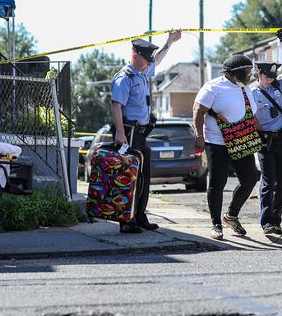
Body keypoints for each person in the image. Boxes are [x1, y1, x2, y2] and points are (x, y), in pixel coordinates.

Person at [110, 31, 181, 233]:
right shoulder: (125, 77)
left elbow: (157, 60)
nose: (149, 63)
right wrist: (120, 134)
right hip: (129, 133)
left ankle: (140, 215)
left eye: (149, 60)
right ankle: (127, 220)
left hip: (141, 134)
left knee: (142, 177)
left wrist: (169, 42)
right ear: (135, 56)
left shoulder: (142, 73)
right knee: (129, 177)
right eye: (146, 60)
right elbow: (116, 106)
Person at [192, 54, 260, 240]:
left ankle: (231, 215)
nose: (250, 74)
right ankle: (216, 224)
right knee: (217, 183)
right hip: (217, 142)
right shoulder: (213, 87)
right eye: (247, 71)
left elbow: (252, 115)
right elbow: (198, 111)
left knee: (250, 179)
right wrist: (199, 136)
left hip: (241, 140)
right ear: (235, 72)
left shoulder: (245, 87)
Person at [251, 29, 282, 235]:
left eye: (273, 76)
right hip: (266, 143)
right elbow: (251, 120)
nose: (271, 79)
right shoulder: (252, 92)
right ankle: (266, 222)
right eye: (268, 76)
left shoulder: (281, 86)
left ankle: (276, 220)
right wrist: (261, 136)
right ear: (259, 74)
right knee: (268, 182)